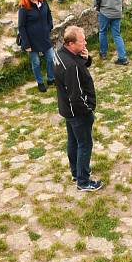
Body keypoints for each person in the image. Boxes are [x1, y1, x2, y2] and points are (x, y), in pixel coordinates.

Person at [53, 26, 103, 192]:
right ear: (71, 43)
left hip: (67, 109)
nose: (85, 42)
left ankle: (76, 172)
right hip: (78, 112)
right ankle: (83, 181)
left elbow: (81, 66)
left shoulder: (60, 54)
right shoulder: (70, 66)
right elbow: (76, 95)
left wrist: (86, 58)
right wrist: (88, 110)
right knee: (85, 144)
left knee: (73, 142)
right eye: (82, 41)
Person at [17, 0, 54, 92]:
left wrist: (49, 26)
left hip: (45, 37)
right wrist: (26, 44)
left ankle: (51, 78)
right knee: (36, 62)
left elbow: (49, 15)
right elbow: (21, 27)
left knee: (51, 58)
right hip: (31, 41)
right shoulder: (23, 8)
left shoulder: (43, 2)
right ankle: (40, 82)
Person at [93, 0, 128, 65]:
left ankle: (103, 53)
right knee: (117, 34)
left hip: (104, 11)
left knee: (103, 32)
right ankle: (122, 58)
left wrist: (98, 8)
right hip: (117, 11)